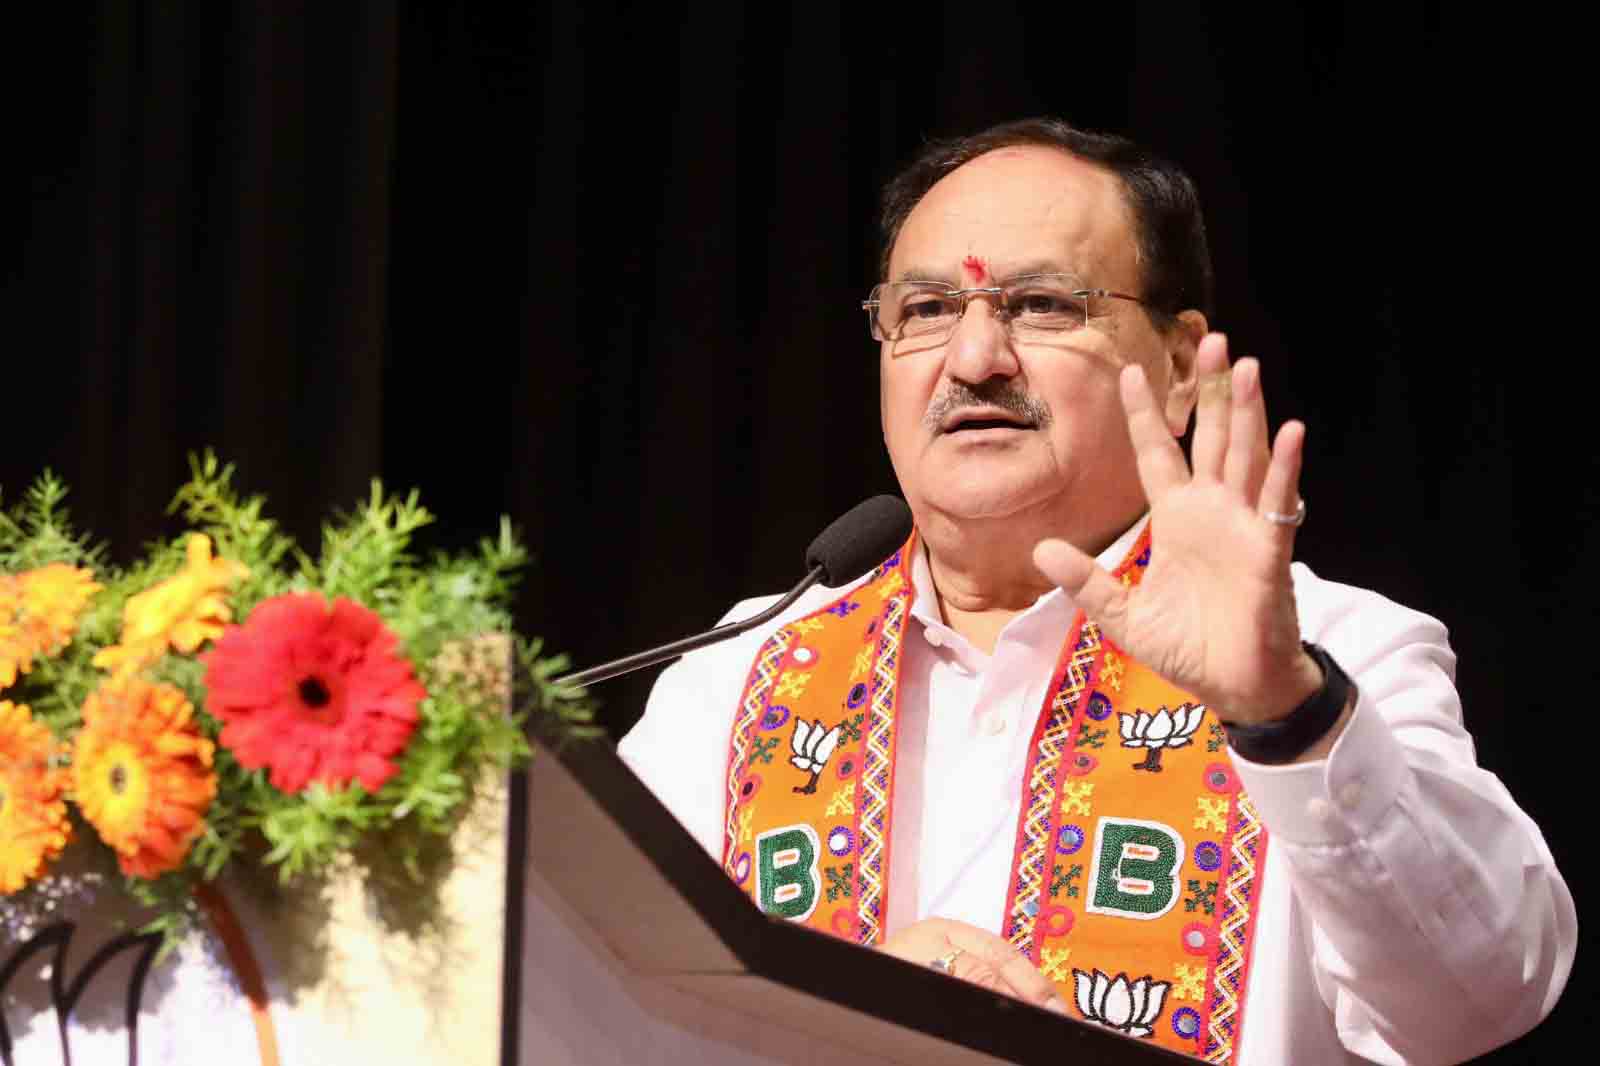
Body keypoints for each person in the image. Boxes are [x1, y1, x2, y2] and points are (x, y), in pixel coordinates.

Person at [618, 118, 1575, 1064]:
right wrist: (842, 1020)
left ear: (1174, 364)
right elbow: (602, 1012)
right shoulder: (735, 674)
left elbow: (1480, 997)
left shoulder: (1324, 654)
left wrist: (1284, 713)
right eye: (925, 310)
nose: (974, 357)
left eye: (1041, 304)